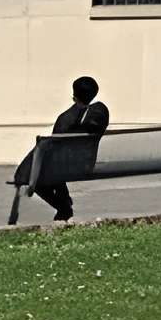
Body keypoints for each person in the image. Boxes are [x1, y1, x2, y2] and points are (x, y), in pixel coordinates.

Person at [32, 75, 108, 224]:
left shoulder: (81, 114)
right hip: (81, 160)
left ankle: (64, 207)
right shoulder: (100, 110)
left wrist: (77, 106)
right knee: (53, 166)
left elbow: (62, 133)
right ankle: (64, 204)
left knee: (35, 178)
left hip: (77, 163)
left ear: (76, 95)